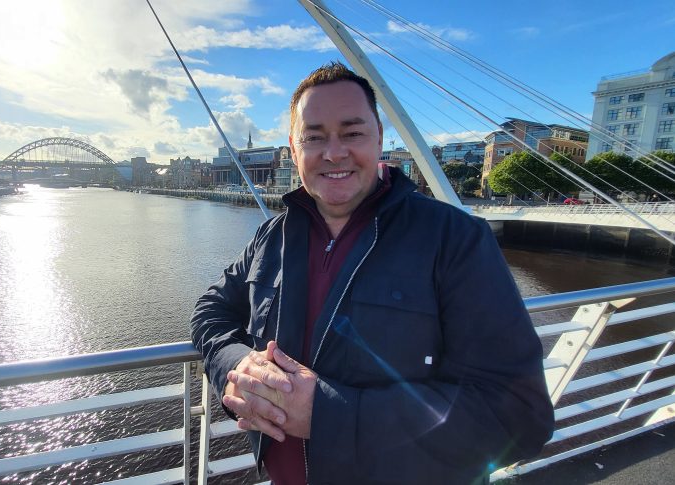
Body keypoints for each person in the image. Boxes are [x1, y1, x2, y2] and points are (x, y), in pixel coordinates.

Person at [190, 62, 553, 484]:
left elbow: (518, 416)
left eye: (352, 133)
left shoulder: (455, 240)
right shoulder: (272, 237)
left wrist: (328, 415)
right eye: (314, 137)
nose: (334, 152)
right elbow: (209, 311)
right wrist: (237, 367)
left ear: (379, 137)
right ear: (293, 149)